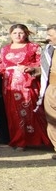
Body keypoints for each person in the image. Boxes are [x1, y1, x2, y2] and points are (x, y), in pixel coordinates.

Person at [0, 24, 50, 151]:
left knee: (30, 110)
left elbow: (42, 63)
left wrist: (31, 68)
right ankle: (18, 140)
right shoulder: (5, 49)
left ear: (26, 34)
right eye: (15, 33)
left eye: (21, 33)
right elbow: (2, 65)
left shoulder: (33, 47)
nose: (18, 35)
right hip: (9, 84)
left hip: (27, 84)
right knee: (13, 113)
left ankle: (35, 140)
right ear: (10, 35)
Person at [38, 24, 56, 159]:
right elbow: (46, 69)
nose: (47, 38)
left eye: (50, 35)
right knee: (52, 120)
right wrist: (34, 70)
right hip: (52, 89)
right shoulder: (49, 50)